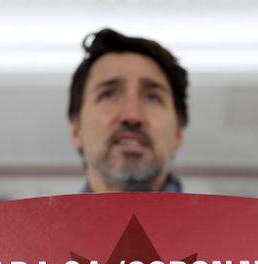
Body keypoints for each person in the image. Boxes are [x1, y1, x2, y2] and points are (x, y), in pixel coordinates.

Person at [68, 28, 189, 192]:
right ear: (76, 130)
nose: (132, 116)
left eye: (152, 98)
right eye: (108, 96)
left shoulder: (230, 219)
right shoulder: (30, 219)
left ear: (178, 132)